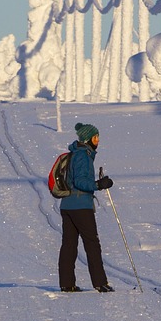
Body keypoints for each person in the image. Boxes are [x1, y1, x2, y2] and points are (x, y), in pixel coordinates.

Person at [59, 122, 115, 293]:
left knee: (69, 244)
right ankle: (100, 283)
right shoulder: (83, 156)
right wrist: (99, 184)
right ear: (88, 139)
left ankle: (67, 284)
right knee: (92, 243)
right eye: (95, 137)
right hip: (80, 205)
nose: (98, 141)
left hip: (68, 205)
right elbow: (80, 182)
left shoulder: (75, 154)